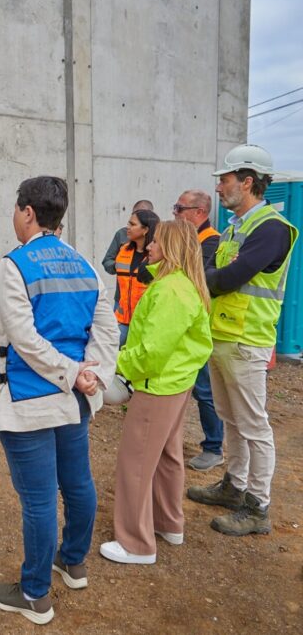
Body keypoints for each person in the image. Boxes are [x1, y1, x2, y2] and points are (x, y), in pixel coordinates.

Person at [0, 176, 118, 625]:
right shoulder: (86, 265)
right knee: (77, 483)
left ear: (28, 213)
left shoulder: (15, 264)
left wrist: (74, 373)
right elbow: (107, 331)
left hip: (28, 401)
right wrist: (92, 374)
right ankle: (72, 562)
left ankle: (36, 594)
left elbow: (23, 338)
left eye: (15, 209)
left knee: (38, 500)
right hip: (75, 401)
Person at [187, 144, 298, 536]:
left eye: (225, 180)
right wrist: (209, 276)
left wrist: (202, 278)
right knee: (231, 419)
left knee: (253, 426)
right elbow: (214, 271)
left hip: (247, 341)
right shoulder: (236, 226)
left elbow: (226, 278)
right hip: (222, 337)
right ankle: (234, 487)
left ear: (248, 181)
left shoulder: (271, 228)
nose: (218, 188)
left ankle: (257, 507)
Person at [100, 219, 213, 565]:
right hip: (175, 384)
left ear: (171, 247)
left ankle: (136, 543)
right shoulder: (182, 285)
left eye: (155, 242)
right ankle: (168, 523)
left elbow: (151, 352)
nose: (148, 246)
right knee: (167, 457)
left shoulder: (170, 291)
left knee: (135, 463)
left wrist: (117, 365)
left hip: (157, 386)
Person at [172, 190, 225, 471]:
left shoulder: (211, 241)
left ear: (199, 213)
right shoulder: (189, 240)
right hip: (184, 322)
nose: (176, 213)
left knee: (204, 389)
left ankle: (214, 447)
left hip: (200, 325)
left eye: (180, 209)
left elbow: (197, 279)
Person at [114, 209, 159, 345]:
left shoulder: (156, 256)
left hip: (145, 322)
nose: (128, 227)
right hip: (122, 320)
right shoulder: (123, 250)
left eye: (132, 224)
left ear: (145, 230)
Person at [102, 199, 154, 275]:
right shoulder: (122, 234)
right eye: (135, 213)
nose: (137, 217)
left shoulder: (159, 237)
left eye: (143, 214)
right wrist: (119, 265)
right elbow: (108, 261)